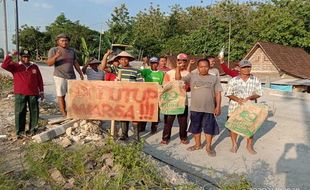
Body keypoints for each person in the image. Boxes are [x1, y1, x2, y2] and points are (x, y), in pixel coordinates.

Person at [176, 59, 222, 156]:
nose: (203, 69)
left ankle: (208, 147)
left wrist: (218, 106)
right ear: (197, 68)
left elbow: (218, 93)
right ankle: (197, 145)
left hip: (209, 109)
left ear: (209, 67)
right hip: (195, 108)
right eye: (201, 67)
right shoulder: (192, 76)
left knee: (209, 128)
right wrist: (178, 67)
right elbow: (178, 79)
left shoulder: (214, 78)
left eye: (206, 66)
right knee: (195, 128)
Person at [1, 49, 44, 138]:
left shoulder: (34, 66)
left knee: (34, 111)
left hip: (33, 93)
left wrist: (41, 91)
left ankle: (33, 130)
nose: (26, 59)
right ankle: (20, 131)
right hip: (20, 93)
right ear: (21, 57)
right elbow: (4, 65)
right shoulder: (15, 66)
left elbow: (39, 79)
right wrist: (10, 55)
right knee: (20, 112)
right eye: (24, 57)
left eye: (28, 57)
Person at [225, 60, 263, 154]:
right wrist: (238, 99)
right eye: (244, 67)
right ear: (239, 69)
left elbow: (259, 93)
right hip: (235, 107)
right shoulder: (233, 80)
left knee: (250, 127)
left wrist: (250, 97)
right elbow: (228, 94)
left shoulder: (256, 79)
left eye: (248, 67)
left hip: (250, 107)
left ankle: (249, 146)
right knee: (234, 126)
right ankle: (234, 144)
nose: (246, 69)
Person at [46, 33, 84, 117]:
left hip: (71, 76)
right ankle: (64, 113)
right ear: (58, 42)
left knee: (73, 96)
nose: (64, 42)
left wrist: (80, 73)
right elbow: (49, 63)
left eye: (66, 41)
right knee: (61, 95)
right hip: (59, 76)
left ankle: (72, 112)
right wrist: (56, 56)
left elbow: (75, 63)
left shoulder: (72, 51)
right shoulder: (54, 50)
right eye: (62, 41)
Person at [161, 53, 190, 145]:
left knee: (183, 122)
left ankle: (183, 137)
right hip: (170, 101)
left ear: (186, 62)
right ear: (177, 61)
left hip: (182, 101)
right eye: (180, 60)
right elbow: (164, 86)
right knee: (168, 121)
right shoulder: (169, 73)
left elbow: (188, 88)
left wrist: (186, 87)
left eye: (184, 61)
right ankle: (165, 138)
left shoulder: (188, 74)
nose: (182, 62)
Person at [114, 51, 144, 141]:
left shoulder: (136, 71)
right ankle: (124, 134)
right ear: (119, 61)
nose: (124, 61)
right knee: (123, 115)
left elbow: (141, 84)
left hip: (133, 97)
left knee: (134, 116)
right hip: (121, 97)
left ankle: (136, 136)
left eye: (126, 59)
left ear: (129, 60)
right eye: (121, 59)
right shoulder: (117, 70)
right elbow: (102, 68)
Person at [139, 56, 164, 134]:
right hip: (146, 95)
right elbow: (139, 72)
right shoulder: (146, 71)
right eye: (152, 63)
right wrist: (144, 63)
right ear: (150, 64)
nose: (154, 65)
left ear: (158, 64)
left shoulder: (161, 73)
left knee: (155, 113)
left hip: (156, 96)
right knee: (145, 112)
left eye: (155, 63)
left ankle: (154, 129)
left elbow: (162, 85)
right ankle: (142, 128)